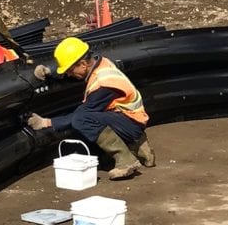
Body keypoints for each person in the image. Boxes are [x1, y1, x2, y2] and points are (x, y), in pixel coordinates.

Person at [28, 37, 155, 180]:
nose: (68, 73)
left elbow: (80, 116)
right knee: (85, 124)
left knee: (81, 120)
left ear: (83, 64)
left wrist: (46, 123)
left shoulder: (103, 84)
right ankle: (138, 145)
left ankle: (126, 160)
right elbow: (74, 76)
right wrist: (51, 72)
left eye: (69, 70)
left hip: (130, 124)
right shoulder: (101, 63)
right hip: (129, 118)